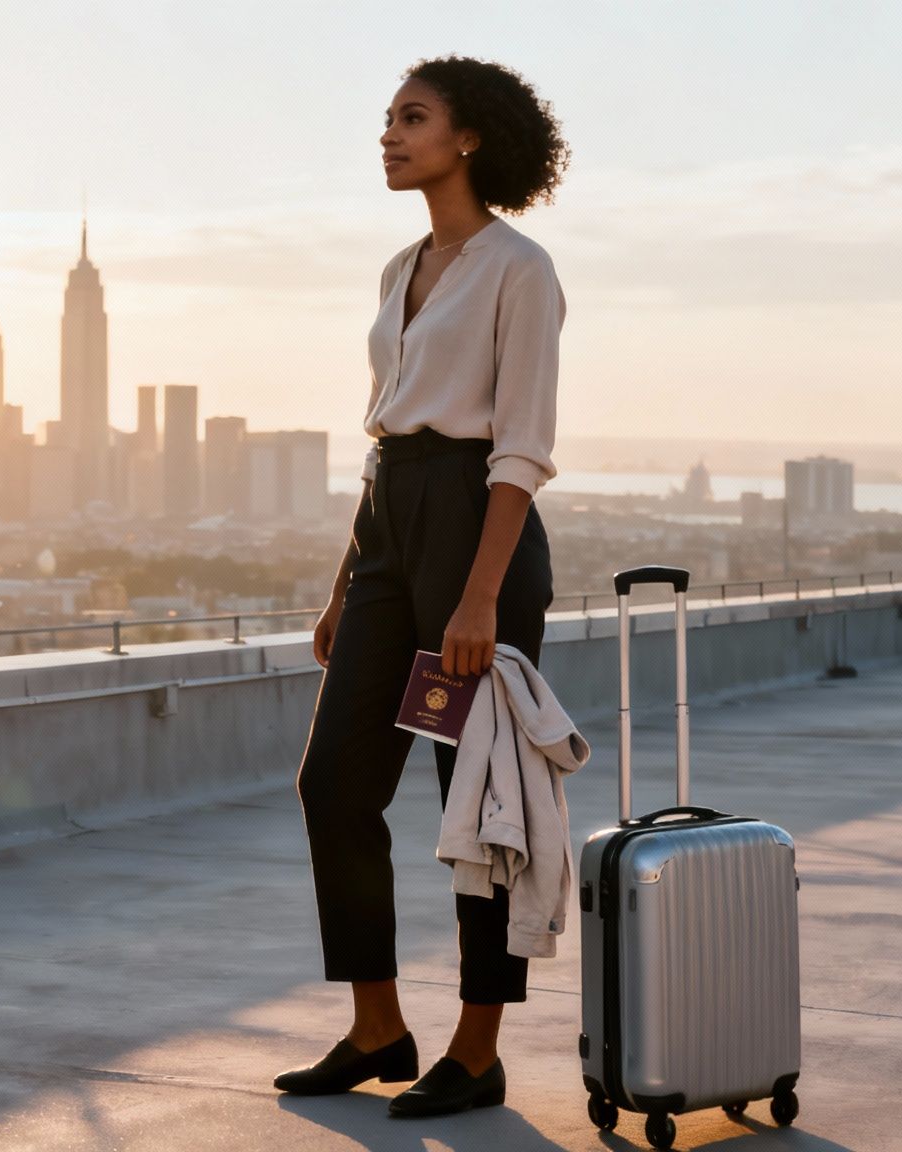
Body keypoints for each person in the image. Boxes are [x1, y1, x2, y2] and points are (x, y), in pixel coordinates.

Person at [272, 54, 569, 1119]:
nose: (389, 136)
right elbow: (381, 436)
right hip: (392, 529)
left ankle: (477, 1047)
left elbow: (519, 447)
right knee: (333, 784)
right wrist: (346, 580)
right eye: (387, 120)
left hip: (473, 534)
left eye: (412, 118)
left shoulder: (518, 268)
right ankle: (376, 1026)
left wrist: (478, 596)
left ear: (470, 138)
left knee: (472, 796)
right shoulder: (398, 269)